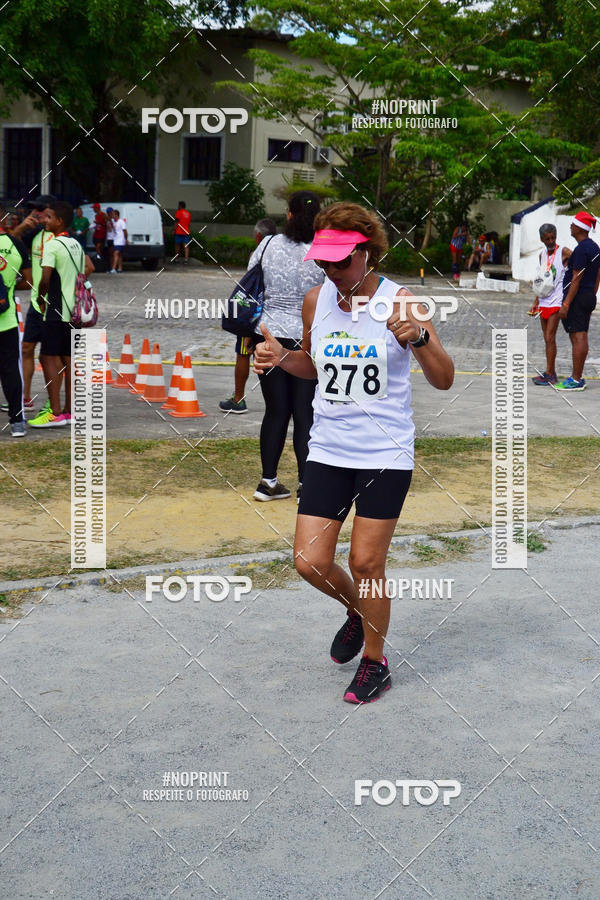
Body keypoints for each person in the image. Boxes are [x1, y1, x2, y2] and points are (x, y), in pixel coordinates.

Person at [254, 201, 454, 703]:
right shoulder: (315, 300)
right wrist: (281, 358)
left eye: (341, 260)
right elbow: (313, 365)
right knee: (309, 561)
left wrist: (422, 337)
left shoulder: (402, 302)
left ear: (367, 252)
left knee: (366, 564)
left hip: (384, 453)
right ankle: (359, 612)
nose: (330, 269)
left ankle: (374, 661)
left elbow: (444, 378)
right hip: (328, 448)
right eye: (324, 260)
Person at [251, 192, 324, 501]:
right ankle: (307, 484)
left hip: (268, 336)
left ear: (289, 214)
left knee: (276, 410)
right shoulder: (322, 252)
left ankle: (268, 482)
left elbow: (252, 281)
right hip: (308, 337)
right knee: (305, 412)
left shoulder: (267, 245)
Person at [29, 201, 94, 428]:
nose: (45, 220)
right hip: (74, 311)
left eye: (49, 217)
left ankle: (55, 412)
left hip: (56, 310)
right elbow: (88, 269)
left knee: (46, 357)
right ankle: (70, 412)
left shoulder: (53, 245)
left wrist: (40, 299)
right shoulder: (76, 244)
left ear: (59, 221)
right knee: (68, 360)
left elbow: (45, 279)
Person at [219, 217, 277, 414]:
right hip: (277, 316)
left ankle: (238, 399)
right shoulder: (282, 253)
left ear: (258, 236)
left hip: (253, 315)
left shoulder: (257, 254)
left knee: (243, 353)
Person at [16, 194, 57, 413]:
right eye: (33, 210)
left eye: (40, 210)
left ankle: (55, 403)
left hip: (55, 305)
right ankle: (24, 397)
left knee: (52, 355)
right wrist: (22, 228)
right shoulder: (34, 236)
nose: (36, 214)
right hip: (35, 302)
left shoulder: (61, 237)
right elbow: (7, 244)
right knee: (26, 347)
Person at [554, 211, 600, 391]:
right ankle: (577, 376)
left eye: (573, 225)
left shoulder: (581, 249)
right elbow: (597, 274)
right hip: (587, 295)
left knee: (578, 336)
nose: (570, 227)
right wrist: (592, 295)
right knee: (580, 335)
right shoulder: (595, 247)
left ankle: (575, 379)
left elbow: (576, 278)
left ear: (579, 228)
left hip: (577, 297)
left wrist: (566, 304)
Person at [0, 203, 32, 437]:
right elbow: (28, 281)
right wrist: (9, 287)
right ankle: (17, 422)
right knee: (10, 371)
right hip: (6, 319)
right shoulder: (16, 245)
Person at [529, 224, 571, 386]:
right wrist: (536, 301)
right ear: (542, 239)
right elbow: (541, 280)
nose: (551, 241)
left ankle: (550, 374)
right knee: (547, 339)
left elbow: (579, 266)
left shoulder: (564, 252)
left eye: (553, 237)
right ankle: (550, 372)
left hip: (556, 301)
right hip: (544, 300)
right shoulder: (542, 255)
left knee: (549, 336)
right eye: (547, 239)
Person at [105, 207, 115, 272]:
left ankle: (113, 268)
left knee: (113, 254)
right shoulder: (107, 220)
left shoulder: (114, 220)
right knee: (110, 254)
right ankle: (111, 267)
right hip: (108, 238)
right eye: (108, 213)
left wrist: (110, 220)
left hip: (113, 238)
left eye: (110, 213)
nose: (109, 214)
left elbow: (114, 228)